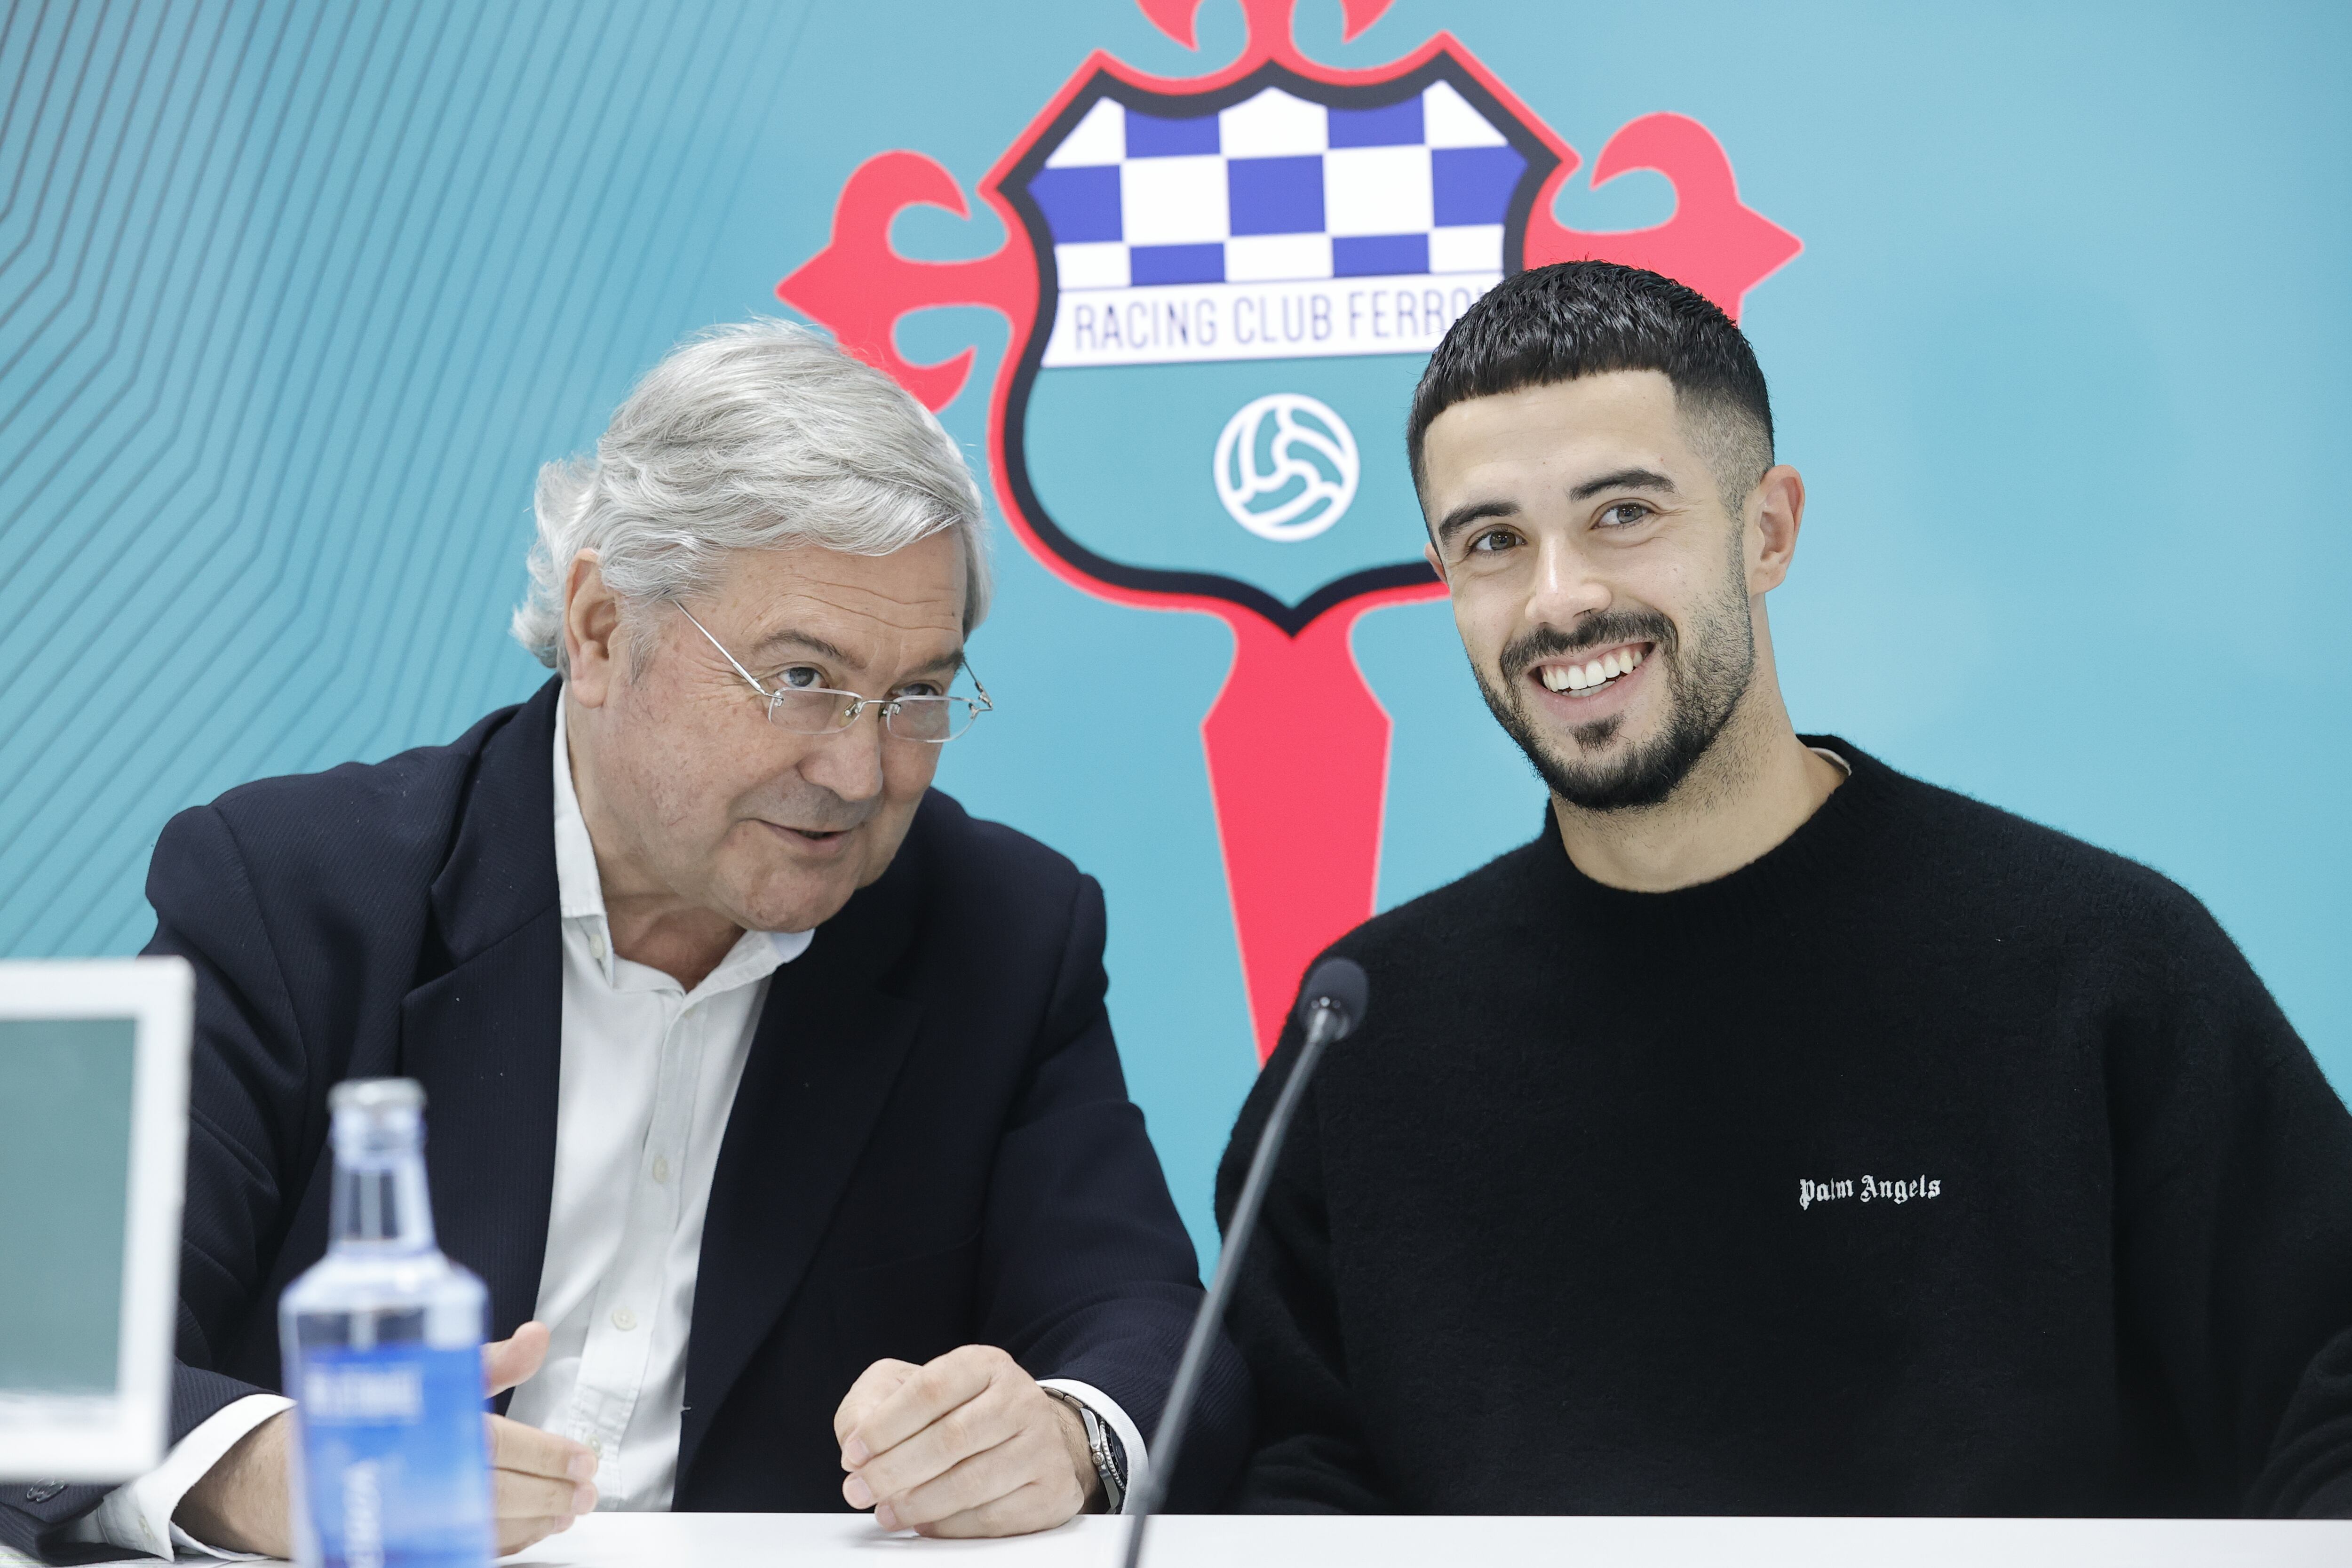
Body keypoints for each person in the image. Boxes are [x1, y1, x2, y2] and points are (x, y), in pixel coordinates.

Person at [0, 321, 1245, 1564]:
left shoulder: (999, 929)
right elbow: (37, 1359)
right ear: (601, 631)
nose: (860, 772)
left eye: (917, 695)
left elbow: (1147, 1326)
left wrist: (1068, 1435)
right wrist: (270, 1473)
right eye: (803, 677)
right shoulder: (292, 894)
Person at [1215, 261, 2352, 1516]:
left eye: (1623, 515)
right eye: (1494, 542)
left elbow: (2328, 1383)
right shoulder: (1368, 1030)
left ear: (1769, 530)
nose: (1562, 599)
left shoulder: (2097, 966)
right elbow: (1286, 1475)